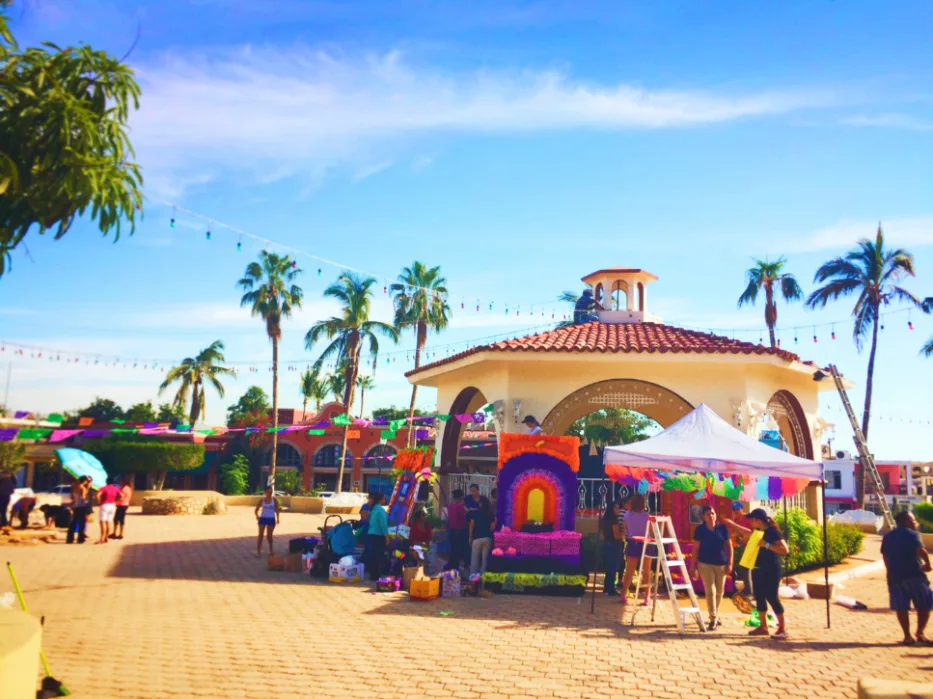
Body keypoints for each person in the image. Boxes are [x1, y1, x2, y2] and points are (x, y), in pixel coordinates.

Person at [724, 508, 790, 639]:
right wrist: (731, 524)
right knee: (759, 597)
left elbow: (785, 550)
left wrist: (766, 545)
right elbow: (746, 532)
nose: (750, 522)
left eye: (751, 520)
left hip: (771, 569)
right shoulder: (758, 531)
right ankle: (763, 626)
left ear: (758, 520)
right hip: (758, 568)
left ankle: (783, 628)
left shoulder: (772, 532)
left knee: (772, 597)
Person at [881, 511, 933, 645]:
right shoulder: (913, 535)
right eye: (913, 520)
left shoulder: (888, 537)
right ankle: (920, 633)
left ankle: (907, 636)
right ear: (905, 522)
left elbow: (885, 557)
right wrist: (927, 564)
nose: (915, 523)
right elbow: (921, 551)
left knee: (901, 607)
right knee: (925, 604)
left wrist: (890, 571)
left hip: (895, 577)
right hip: (914, 575)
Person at [690, 505, 733, 630]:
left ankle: (716, 614)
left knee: (720, 591)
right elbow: (696, 548)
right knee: (710, 590)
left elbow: (729, 546)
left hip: (721, 563)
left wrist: (730, 563)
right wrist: (693, 565)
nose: (711, 516)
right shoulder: (700, 530)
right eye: (708, 514)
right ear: (703, 517)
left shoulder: (722, 528)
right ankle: (713, 617)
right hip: (705, 563)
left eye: (713, 513)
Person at [619, 495, 652, 604]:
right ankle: (647, 596)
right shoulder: (646, 516)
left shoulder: (627, 515)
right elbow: (650, 529)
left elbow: (625, 528)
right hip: (645, 543)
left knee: (629, 571)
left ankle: (623, 594)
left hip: (633, 542)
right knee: (646, 571)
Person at [730, 502, 754, 601]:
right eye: (734, 510)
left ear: (742, 509)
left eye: (738, 509)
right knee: (740, 567)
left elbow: (753, 532)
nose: (736, 511)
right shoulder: (735, 520)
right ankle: (746, 589)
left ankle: (749, 591)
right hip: (741, 545)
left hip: (750, 545)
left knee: (746, 567)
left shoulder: (748, 518)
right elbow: (736, 531)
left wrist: (746, 538)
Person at [601, 500, 625, 596]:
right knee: (613, 567)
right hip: (614, 544)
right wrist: (624, 532)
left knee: (609, 567)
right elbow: (617, 535)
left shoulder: (605, 519)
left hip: (607, 543)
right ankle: (610, 589)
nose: (618, 509)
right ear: (612, 509)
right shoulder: (613, 520)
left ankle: (607, 588)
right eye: (616, 507)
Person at [470, 496, 496, 575]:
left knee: (475, 559)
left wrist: (470, 537)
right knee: (485, 559)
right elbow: (493, 526)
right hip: (487, 538)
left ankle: (473, 577)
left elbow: (472, 525)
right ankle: (483, 577)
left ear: (481, 504)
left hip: (477, 538)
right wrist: (487, 531)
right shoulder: (491, 514)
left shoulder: (476, 513)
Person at [367, 492, 390, 581]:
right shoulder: (380, 510)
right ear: (381, 499)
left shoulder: (373, 509)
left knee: (373, 555)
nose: (385, 500)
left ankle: (373, 574)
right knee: (378, 555)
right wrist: (386, 536)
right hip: (378, 535)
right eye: (384, 498)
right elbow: (383, 524)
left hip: (372, 534)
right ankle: (376, 574)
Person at [254, 487, 280, 557]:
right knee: (260, 535)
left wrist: (278, 518)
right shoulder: (262, 500)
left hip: (271, 519)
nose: (270, 493)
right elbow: (256, 509)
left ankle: (271, 550)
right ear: (265, 492)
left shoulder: (274, 500)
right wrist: (257, 516)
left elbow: (277, 510)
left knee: (269, 536)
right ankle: (258, 551)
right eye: (268, 492)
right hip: (263, 518)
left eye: (271, 492)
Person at [446, 489, 468, 572]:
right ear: (461, 497)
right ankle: (456, 568)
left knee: (452, 549)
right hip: (459, 530)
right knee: (458, 550)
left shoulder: (450, 505)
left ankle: (451, 567)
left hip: (451, 529)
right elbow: (463, 519)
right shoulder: (460, 506)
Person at [67, 476, 91, 544]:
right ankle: (80, 539)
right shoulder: (83, 488)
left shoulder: (74, 487)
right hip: (82, 507)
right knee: (82, 523)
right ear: (84, 481)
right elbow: (83, 498)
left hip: (75, 507)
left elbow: (72, 497)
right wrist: (87, 492)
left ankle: (70, 538)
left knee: (73, 523)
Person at [96, 479, 121, 544]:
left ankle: (101, 538)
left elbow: (98, 495)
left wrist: (99, 502)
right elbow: (121, 495)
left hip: (104, 505)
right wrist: (116, 501)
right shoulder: (115, 488)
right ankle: (106, 537)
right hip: (112, 505)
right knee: (108, 522)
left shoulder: (103, 488)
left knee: (102, 522)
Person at [358, 492, 375, 566]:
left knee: (371, 548)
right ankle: (361, 562)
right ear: (370, 499)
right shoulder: (365, 506)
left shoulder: (374, 507)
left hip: (372, 530)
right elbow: (365, 517)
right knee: (368, 547)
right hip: (365, 529)